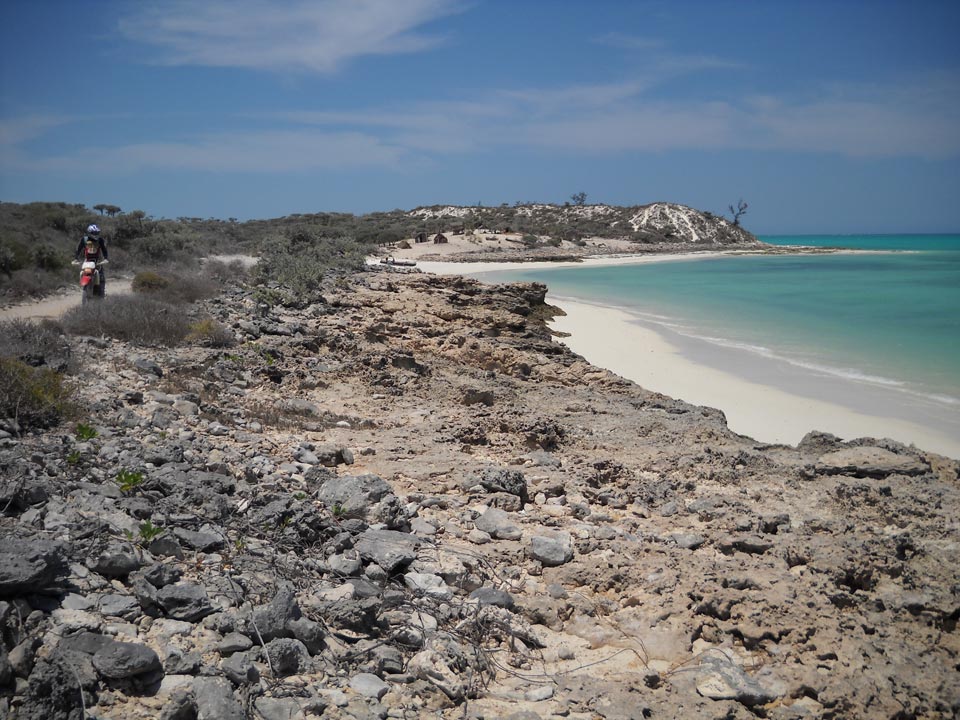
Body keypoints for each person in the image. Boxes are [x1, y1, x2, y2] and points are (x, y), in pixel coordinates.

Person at [76, 224, 108, 295]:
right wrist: (76, 258)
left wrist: (106, 258)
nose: (96, 234)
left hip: (98, 261)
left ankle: (101, 293)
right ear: (89, 233)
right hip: (87, 261)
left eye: (97, 233)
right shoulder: (84, 240)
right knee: (83, 272)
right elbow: (78, 249)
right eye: (94, 233)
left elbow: (104, 249)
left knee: (101, 277)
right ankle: (85, 287)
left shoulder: (100, 240)